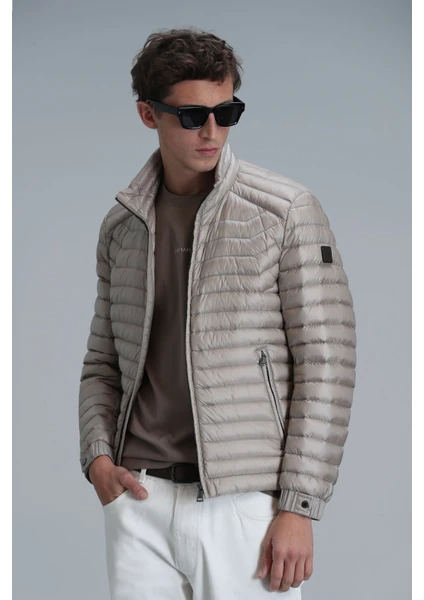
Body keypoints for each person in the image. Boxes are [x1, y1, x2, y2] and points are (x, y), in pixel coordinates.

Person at [78, 27, 357, 599]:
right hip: (138, 498)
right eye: (192, 116)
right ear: (148, 114)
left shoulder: (285, 212)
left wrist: (299, 506)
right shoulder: (122, 226)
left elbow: (326, 365)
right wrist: (98, 460)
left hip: (244, 504)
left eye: (226, 112)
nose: (212, 131)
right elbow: (103, 361)